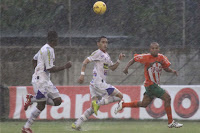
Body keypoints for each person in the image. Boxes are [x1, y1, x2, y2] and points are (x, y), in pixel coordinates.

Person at [114, 42, 183, 128]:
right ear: (150, 50)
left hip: (153, 85)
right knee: (167, 98)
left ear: (159, 49)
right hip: (150, 84)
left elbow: (166, 68)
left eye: (156, 48)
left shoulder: (162, 58)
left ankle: (123, 105)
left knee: (144, 104)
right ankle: (170, 122)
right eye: (152, 48)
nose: (154, 50)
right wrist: (126, 68)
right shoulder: (146, 57)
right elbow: (134, 59)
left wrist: (172, 71)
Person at [22, 31, 72, 133]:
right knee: (41, 105)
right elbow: (51, 69)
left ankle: (32, 99)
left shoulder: (44, 48)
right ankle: (26, 127)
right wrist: (65, 67)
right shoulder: (48, 50)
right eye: (57, 39)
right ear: (54, 39)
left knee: (57, 101)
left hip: (46, 80)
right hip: (40, 80)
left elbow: (34, 59)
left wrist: (37, 69)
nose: (58, 41)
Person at [71, 36, 125, 130]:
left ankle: (77, 123)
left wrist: (119, 60)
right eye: (103, 42)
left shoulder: (106, 55)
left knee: (92, 108)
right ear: (98, 44)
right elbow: (85, 62)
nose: (105, 44)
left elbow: (112, 68)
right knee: (120, 96)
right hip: (99, 83)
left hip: (94, 84)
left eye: (106, 42)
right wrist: (82, 74)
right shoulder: (97, 53)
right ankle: (99, 103)